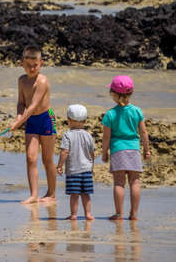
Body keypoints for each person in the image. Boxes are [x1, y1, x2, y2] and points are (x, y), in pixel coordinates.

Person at [10, 45, 57, 204]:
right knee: (31, 158)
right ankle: (34, 195)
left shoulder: (42, 81)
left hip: (45, 119)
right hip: (30, 120)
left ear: (41, 64)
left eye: (35, 65)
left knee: (47, 159)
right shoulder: (21, 80)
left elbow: (33, 106)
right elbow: (21, 103)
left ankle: (51, 193)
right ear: (22, 64)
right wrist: (18, 117)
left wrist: (19, 123)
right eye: (28, 65)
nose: (31, 68)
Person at [102, 75, 151, 221]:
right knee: (135, 182)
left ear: (114, 94)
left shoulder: (110, 114)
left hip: (118, 150)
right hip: (134, 149)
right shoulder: (137, 111)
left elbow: (106, 138)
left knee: (119, 183)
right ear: (130, 93)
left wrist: (104, 153)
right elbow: (143, 132)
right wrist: (146, 150)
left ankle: (119, 214)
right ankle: (134, 214)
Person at [57, 104, 95, 220]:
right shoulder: (88, 135)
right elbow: (92, 153)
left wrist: (59, 166)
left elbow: (64, 152)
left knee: (74, 195)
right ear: (84, 120)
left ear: (68, 120)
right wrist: (91, 166)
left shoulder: (67, 135)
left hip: (73, 171)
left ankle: (74, 215)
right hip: (86, 170)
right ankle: (88, 214)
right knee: (86, 194)